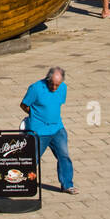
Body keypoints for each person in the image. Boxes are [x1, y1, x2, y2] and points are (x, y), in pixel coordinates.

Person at [20, 67, 76, 195]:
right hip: (39, 131)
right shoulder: (35, 88)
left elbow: (57, 104)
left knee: (64, 156)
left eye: (57, 84)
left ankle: (67, 184)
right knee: (32, 159)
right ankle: (25, 184)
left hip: (57, 128)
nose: (55, 87)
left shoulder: (63, 88)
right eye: (52, 84)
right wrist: (35, 115)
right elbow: (23, 105)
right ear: (48, 79)